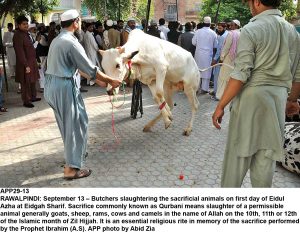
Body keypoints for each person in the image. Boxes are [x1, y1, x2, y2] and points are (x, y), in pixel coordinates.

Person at [212, 0, 300, 188]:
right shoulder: (293, 32)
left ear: (257, 2)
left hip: (251, 100)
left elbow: (241, 73)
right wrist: (292, 100)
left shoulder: (252, 29)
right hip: (277, 102)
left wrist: (221, 106)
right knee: (265, 158)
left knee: (237, 155)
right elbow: (298, 75)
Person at [44, 9, 121, 180]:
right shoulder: (71, 42)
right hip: (63, 87)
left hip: (53, 86)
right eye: (79, 21)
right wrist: (111, 80)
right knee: (76, 126)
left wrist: (101, 82)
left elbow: (77, 67)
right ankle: (71, 169)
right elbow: (89, 67)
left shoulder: (58, 40)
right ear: (76, 22)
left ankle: (74, 157)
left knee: (74, 123)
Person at [13, 15, 41, 108]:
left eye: (26, 24)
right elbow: (20, 52)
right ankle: (26, 100)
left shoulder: (26, 33)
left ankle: (33, 97)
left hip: (31, 61)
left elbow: (31, 48)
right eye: (23, 24)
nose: (26, 25)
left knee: (32, 80)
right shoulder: (18, 35)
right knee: (25, 82)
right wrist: (26, 65)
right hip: (25, 63)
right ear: (18, 25)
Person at [216, 19, 241, 100]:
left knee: (223, 77)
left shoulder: (231, 34)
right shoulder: (241, 33)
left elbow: (226, 47)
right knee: (232, 77)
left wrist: (221, 58)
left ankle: (220, 96)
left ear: (236, 26)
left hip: (228, 58)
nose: (230, 26)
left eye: (232, 25)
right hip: (236, 59)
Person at [192, 16, 218, 94]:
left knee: (198, 71)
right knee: (207, 72)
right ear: (210, 24)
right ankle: (204, 89)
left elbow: (193, 42)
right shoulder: (213, 33)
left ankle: (196, 88)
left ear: (203, 23)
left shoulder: (198, 31)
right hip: (208, 55)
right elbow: (215, 45)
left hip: (198, 54)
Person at [210, 22, 228, 100]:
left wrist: (214, 59)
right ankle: (217, 91)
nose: (218, 30)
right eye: (218, 28)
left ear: (224, 28)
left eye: (220, 28)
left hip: (220, 59)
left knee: (217, 76)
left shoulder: (222, 37)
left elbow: (219, 50)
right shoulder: (227, 34)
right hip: (226, 59)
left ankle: (216, 94)